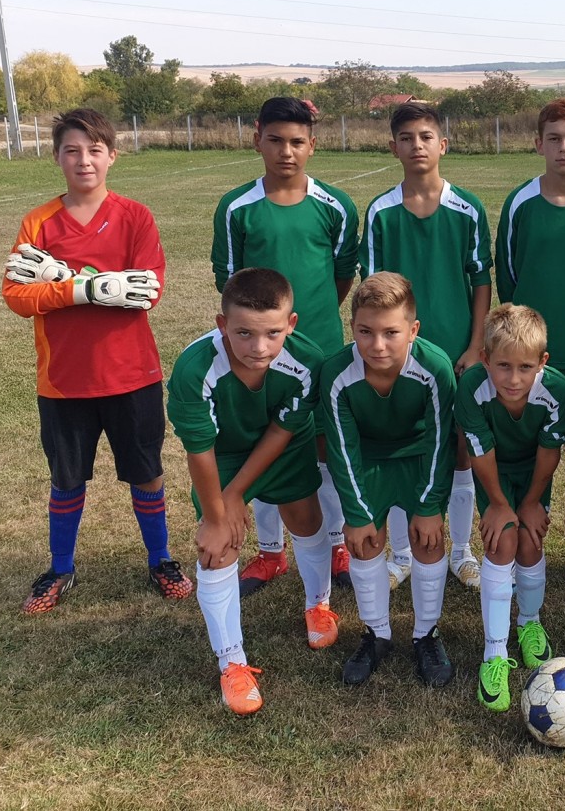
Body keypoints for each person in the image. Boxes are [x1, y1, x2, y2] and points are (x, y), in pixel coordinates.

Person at [2, 107, 191, 614]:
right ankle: (60, 567)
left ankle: (161, 559)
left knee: (146, 472)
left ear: (112, 156)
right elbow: (17, 296)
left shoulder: (135, 216)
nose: (83, 160)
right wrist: (83, 289)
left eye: (94, 150)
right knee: (66, 478)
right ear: (57, 157)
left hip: (131, 374)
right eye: (72, 150)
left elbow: (147, 292)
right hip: (64, 380)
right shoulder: (38, 222)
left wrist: (68, 280)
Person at [166, 268, 338, 715]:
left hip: (283, 445)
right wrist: (217, 513)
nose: (259, 347)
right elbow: (199, 449)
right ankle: (232, 662)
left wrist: (238, 493)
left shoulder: (307, 360)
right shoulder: (194, 369)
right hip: (221, 453)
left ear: (291, 324)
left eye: (272, 333)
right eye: (244, 333)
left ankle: (318, 605)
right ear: (222, 324)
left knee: (306, 518)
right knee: (217, 546)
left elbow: (283, 429)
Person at [211, 96, 359, 598]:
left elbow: (342, 275)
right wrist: (262, 333)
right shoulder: (237, 207)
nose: (286, 152)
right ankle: (271, 552)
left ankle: (335, 543)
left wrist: (305, 324)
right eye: (275, 140)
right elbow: (229, 281)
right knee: (262, 444)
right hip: (258, 354)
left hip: (320, 349)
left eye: (297, 142)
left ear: (312, 145)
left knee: (322, 448)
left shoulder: (336, 206)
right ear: (257, 140)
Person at [362, 101, 492, 591]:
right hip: (398, 354)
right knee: (404, 449)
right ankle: (402, 553)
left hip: (457, 352)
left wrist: (475, 345)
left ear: (443, 144)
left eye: (425, 136)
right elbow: (372, 287)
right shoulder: (381, 211)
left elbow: (481, 281)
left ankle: (461, 551)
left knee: (460, 450)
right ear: (392, 147)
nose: (417, 145)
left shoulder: (467, 208)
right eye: (406, 138)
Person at [321, 272, 458, 689]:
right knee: (365, 540)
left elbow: (441, 442)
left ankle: (426, 634)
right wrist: (357, 513)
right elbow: (342, 449)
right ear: (352, 327)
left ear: (413, 330)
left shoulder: (435, 367)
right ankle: (376, 633)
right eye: (365, 331)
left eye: (391, 333)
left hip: (417, 456)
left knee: (428, 539)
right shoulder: (337, 373)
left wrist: (430, 506)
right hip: (368, 459)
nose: (377, 345)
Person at [455, 305, 565, 711]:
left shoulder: (557, 390)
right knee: (502, 542)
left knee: (530, 543)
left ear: (542, 362)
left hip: (533, 472)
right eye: (503, 366)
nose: (514, 379)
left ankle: (529, 623)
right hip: (493, 471)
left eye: (525, 367)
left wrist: (531, 502)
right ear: (485, 358)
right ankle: (493, 653)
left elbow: (549, 451)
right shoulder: (472, 387)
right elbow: (480, 451)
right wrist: (500, 504)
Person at [495, 96, 565, 463]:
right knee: (531, 438)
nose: (564, 147)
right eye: (554, 138)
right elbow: (508, 273)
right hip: (530, 349)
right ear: (538, 144)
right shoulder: (520, 202)